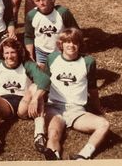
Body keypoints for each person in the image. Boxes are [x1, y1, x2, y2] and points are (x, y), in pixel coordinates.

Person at [43, 28, 110, 160]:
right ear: (60, 44)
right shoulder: (52, 58)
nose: (71, 45)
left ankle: (83, 155)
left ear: (80, 44)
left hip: (77, 111)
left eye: (75, 42)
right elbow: (44, 83)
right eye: (67, 42)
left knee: (104, 124)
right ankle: (53, 156)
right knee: (53, 133)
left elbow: (92, 88)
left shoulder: (88, 61)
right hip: (54, 107)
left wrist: (97, 107)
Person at [0, 38, 50, 155]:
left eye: (13, 52)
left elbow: (45, 80)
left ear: (19, 52)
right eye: (7, 53)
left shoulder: (27, 64)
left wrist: (35, 99)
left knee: (35, 87)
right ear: (2, 54)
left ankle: (39, 135)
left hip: (23, 103)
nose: (10, 56)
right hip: (5, 104)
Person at [24, 0, 79, 70]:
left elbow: (75, 31)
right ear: (34, 2)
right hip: (41, 52)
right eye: (37, 1)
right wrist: (30, 55)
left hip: (61, 50)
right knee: (44, 76)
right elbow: (28, 37)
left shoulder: (62, 12)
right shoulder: (31, 15)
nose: (41, 3)